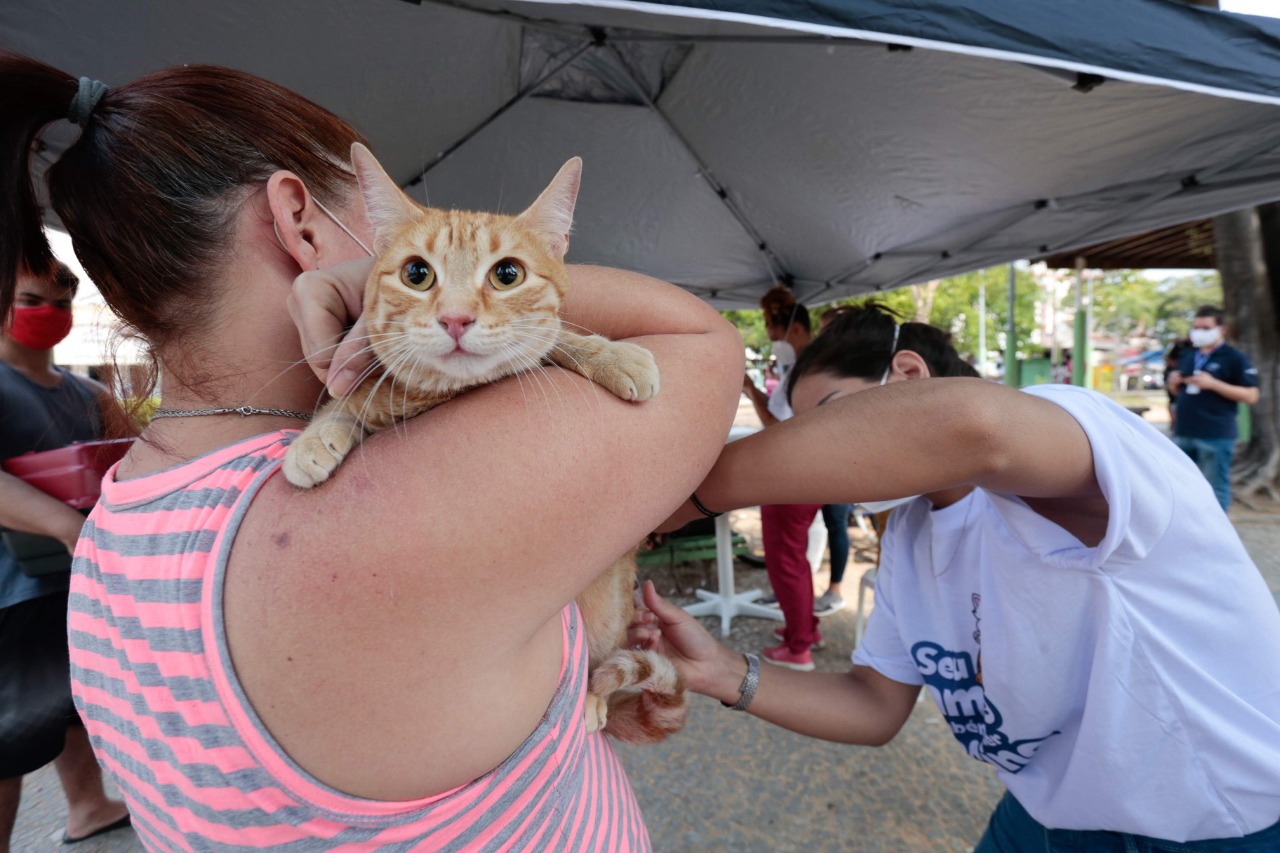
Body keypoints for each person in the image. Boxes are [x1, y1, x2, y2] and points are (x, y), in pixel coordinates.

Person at [1, 54, 743, 851]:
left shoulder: (110, 527)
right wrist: (399, 277)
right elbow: (700, 339)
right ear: (301, 221)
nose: (443, 281)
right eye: (410, 246)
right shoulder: (414, 496)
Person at [633, 303, 1280, 852]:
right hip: (1049, 810)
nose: (814, 454)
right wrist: (719, 669)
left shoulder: (1073, 436)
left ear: (909, 373)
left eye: (828, 418)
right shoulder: (913, 535)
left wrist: (680, 497)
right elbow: (875, 702)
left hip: (1214, 817)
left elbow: (972, 426)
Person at [0, 260, 131, 848]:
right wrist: (63, 525)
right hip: (14, 590)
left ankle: (88, 805)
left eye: (60, 304)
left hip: (81, 580)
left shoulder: (90, 391)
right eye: (33, 300)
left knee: (75, 703)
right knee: (10, 733)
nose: (48, 316)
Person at [740, 287, 823, 670]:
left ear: (796, 331)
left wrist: (752, 391)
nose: (774, 344)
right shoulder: (808, 368)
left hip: (792, 477)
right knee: (795, 559)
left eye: (775, 337)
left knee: (786, 562)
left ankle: (800, 645)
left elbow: (779, 426)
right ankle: (803, 628)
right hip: (804, 475)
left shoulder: (805, 373)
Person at [1167, 305, 1259, 511]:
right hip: (1183, 432)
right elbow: (1181, 393)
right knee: (1177, 485)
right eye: (1196, 327)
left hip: (1215, 434)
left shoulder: (1235, 358)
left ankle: (1217, 536)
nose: (1200, 332)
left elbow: (1252, 395)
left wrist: (1214, 384)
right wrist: (1173, 384)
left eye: (1206, 328)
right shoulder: (1190, 355)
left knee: (1215, 486)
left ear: (1221, 329)